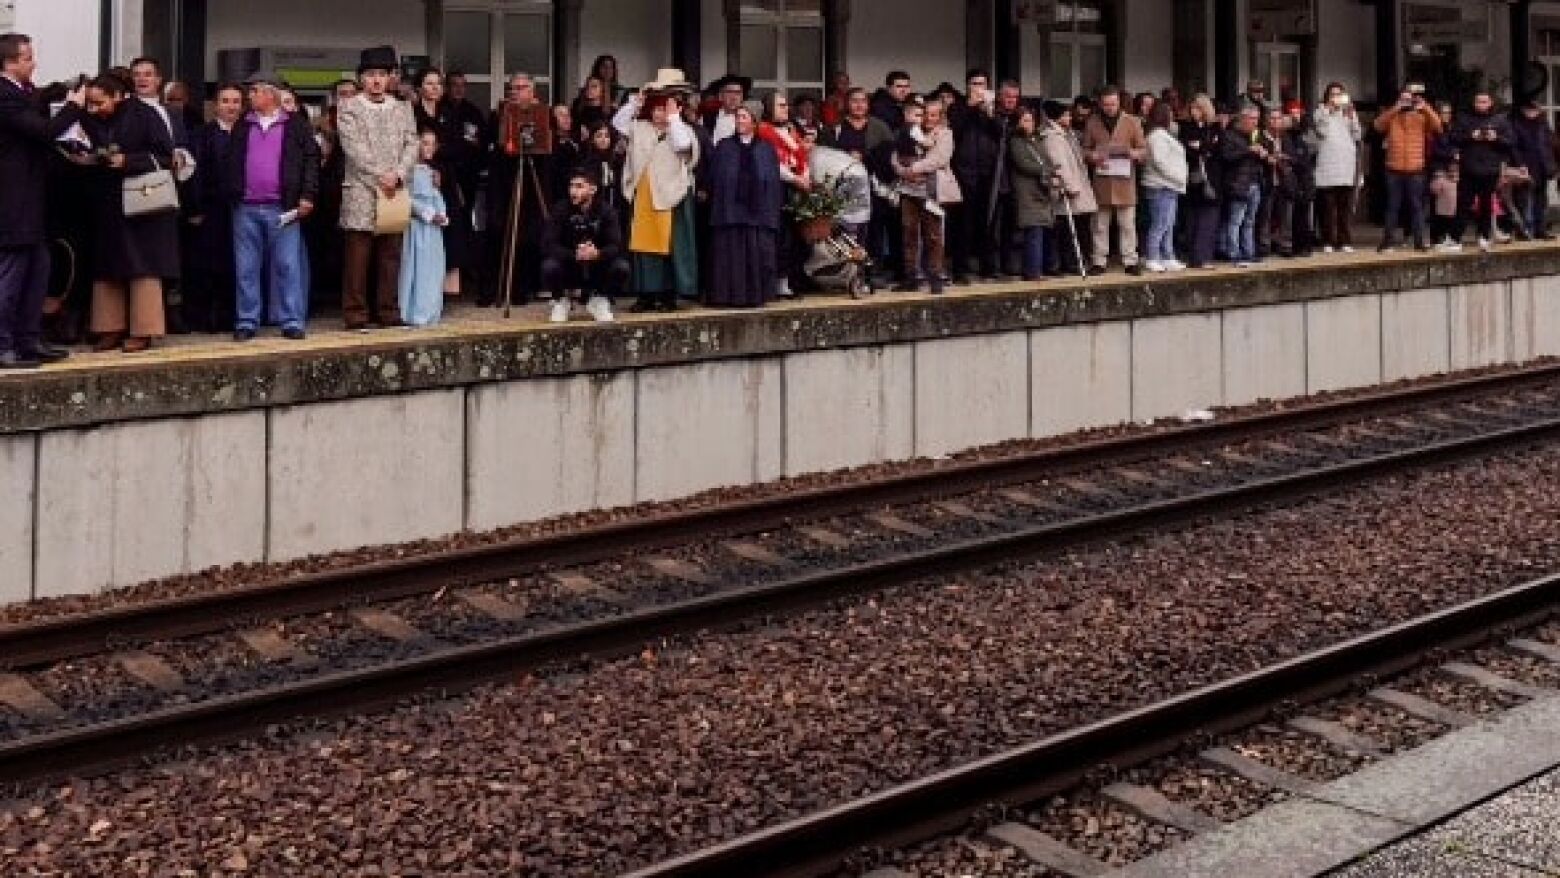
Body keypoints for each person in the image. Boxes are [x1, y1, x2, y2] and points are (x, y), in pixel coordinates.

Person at [0, 32, 86, 369]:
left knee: (38, 270)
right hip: (12, 201)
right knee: (11, 274)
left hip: (32, 200)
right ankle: (4, 344)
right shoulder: (4, 95)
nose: (33, 63)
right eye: (27, 57)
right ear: (11, 61)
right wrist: (74, 107)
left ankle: (28, 339)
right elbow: (44, 131)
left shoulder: (24, 93)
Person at [79, 73, 179, 353]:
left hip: (142, 200)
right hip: (107, 199)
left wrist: (128, 160)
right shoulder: (92, 119)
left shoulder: (146, 115)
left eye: (100, 102)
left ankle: (144, 329)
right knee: (107, 263)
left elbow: (165, 157)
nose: (95, 109)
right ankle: (109, 326)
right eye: (91, 103)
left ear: (118, 95)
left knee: (142, 264)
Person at [222, 72, 320, 341]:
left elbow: (311, 161)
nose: (249, 96)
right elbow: (231, 160)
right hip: (246, 207)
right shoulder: (243, 125)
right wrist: (233, 191)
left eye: (254, 91)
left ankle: (292, 320)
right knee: (246, 267)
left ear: (270, 94)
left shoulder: (296, 125)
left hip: (283, 207)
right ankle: (246, 320)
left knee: (288, 265)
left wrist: (307, 195)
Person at [337, 45, 420, 329]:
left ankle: (388, 311)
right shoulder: (349, 108)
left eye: (382, 75)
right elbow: (353, 148)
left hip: (394, 189)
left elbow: (412, 142)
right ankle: (356, 313)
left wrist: (398, 173)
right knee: (358, 257)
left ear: (390, 78)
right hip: (362, 190)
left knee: (390, 255)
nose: (376, 80)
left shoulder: (402, 108)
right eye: (371, 74)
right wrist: (380, 174)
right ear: (361, 78)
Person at [614, 70, 700, 312]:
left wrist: (674, 119)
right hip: (644, 192)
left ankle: (667, 295)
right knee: (643, 246)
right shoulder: (639, 127)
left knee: (670, 246)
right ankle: (646, 294)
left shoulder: (682, 130)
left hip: (671, 194)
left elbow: (684, 147)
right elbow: (618, 124)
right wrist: (635, 103)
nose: (661, 113)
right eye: (658, 108)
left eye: (667, 108)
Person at [706, 106, 784, 308]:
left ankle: (756, 296)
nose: (739, 121)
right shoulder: (724, 147)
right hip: (730, 212)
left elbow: (772, 181)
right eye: (737, 117)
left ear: (754, 121)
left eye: (744, 117)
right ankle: (726, 296)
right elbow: (715, 179)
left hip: (758, 213)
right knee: (729, 254)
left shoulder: (766, 149)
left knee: (756, 254)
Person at [487, 72, 553, 303]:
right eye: (513, 88)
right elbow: (495, 147)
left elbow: (546, 148)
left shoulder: (544, 114)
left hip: (533, 178)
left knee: (530, 235)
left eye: (522, 87)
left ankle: (527, 288)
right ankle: (499, 289)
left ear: (532, 91)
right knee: (500, 232)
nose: (516, 92)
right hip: (505, 178)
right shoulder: (499, 114)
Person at [541, 167, 625, 322]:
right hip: (570, 266)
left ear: (592, 189)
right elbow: (548, 244)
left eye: (579, 186)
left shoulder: (606, 211)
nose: (573, 191)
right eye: (571, 186)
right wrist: (574, 254)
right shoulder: (560, 209)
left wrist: (597, 253)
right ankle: (560, 301)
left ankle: (599, 300)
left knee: (621, 267)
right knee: (549, 267)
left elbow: (616, 245)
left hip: (597, 267)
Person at [1081, 86, 1147, 275]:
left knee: (1127, 224)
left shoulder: (1132, 121)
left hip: (1125, 179)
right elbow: (1084, 150)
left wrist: (1131, 153)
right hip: (1102, 179)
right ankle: (1099, 261)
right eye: (1106, 104)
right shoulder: (1092, 122)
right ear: (1100, 104)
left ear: (1119, 102)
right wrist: (1093, 156)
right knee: (1100, 224)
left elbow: (1143, 150)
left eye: (1113, 104)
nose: (1110, 107)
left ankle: (1130, 260)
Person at [892, 98, 956, 294]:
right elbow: (895, 154)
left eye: (934, 115)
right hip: (908, 189)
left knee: (934, 235)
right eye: (925, 114)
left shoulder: (944, 133)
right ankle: (911, 276)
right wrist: (902, 170)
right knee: (909, 234)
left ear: (940, 116)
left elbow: (940, 158)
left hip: (931, 190)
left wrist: (914, 168)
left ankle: (935, 276)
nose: (928, 118)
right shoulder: (909, 130)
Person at [948, 69, 1005, 283]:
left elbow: (1000, 133)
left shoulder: (991, 108)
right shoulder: (957, 107)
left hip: (987, 172)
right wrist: (971, 107)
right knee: (962, 223)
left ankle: (988, 266)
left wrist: (989, 112)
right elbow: (956, 130)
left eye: (983, 83)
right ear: (967, 86)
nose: (979, 88)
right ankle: (960, 269)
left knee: (987, 221)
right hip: (964, 172)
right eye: (975, 83)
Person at [1373, 82, 1442, 251]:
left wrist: (1424, 107)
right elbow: (1377, 126)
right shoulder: (1392, 114)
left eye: (1410, 97)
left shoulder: (1421, 115)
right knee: (1392, 206)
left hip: (1416, 168)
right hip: (1393, 167)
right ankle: (1387, 240)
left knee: (1417, 207)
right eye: (1404, 96)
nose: (1407, 100)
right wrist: (1396, 107)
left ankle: (1419, 241)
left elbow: (1438, 127)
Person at [758, 92, 811, 298]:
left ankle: (789, 280)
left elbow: (801, 156)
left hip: (795, 188)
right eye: (780, 105)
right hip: (777, 189)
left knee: (794, 238)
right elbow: (774, 163)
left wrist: (805, 176)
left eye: (786, 105)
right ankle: (775, 283)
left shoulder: (791, 131)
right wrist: (796, 179)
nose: (785, 108)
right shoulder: (763, 131)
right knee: (780, 238)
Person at [1447, 91, 1513, 253]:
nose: (1481, 104)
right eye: (1478, 101)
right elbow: (1453, 138)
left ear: (1490, 103)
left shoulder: (1500, 120)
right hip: (1469, 167)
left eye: (1484, 102)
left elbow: (1510, 142)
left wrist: (1495, 138)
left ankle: (1484, 237)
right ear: (1474, 103)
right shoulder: (1464, 118)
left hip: (1490, 169)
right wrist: (1471, 136)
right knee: (1463, 204)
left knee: (1486, 205)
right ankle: (1455, 238)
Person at [1041, 99, 1096, 276]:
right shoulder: (1053, 138)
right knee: (1065, 230)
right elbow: (1060, 164)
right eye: (1066, 115)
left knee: (1075, 228)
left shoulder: (1068, 135)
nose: (1069, 117)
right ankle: (1064, 263)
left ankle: (1071, 262)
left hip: (1077, 184)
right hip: (1068, 190)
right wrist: (1070, 186)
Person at [399, 130, 449, 327]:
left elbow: (436, 197)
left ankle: (429, 311)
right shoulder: (409, 171)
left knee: (433, 270)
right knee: (416, 268)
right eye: (424, 143)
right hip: (417, 227)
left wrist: (442, 214)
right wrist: (428, 214)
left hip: (433, 230)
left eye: (432, 143)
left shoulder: (431, 171)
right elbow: (407, 199)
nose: (428, 147)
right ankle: (413, 312)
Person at [1007, 105, 1055, 281]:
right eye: (1025, 120)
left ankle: (1040, 268)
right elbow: (1024, 164)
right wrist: (1045, 169)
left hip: (1041, 189)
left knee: (1042, 230)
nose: (1029, 124)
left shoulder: (1037, 140)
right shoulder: (1016, 141)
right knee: (1033, 230)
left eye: (1031, 120)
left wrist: (1049, 169)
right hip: (1025, 191)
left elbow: (1048, 160)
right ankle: (1032, 271)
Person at [1312, 82, 1361, 253]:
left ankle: (1345, 240)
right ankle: (1328, 241)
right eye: (1332, 94)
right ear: (1327, 96)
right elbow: (1321, 131)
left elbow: (1357, 134)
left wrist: (1352, 116)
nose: (1336, 97)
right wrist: (1329, 111)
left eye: (1339, 94)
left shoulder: (1347, 112)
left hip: (1345, 163)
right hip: (1327, 164)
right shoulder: (1320, 111)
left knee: (1345, 207)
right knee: (1327, 208)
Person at [1141, 103, 1187, 272]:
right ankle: (1153, 256)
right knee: (1160, 223)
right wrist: (1177, 176)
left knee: (1168, 223)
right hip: (1161, 184)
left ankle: (1167, 255)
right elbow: (1159, 161)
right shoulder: (1157, 136)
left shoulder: (1161, 134)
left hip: (1168, 185)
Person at [1220, 106, 1267, 268]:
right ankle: (1234, 253)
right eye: (1252, 118)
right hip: (1238, 184)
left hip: (1254, 182)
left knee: (1250, 221)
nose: (1255, 122)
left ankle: (1249, 252)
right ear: (1243, 119)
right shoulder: (1230, 135)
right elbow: (1227, 157)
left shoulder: (1255, 135)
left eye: (1257, 119)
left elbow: (1259, 157)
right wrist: (1248, 150)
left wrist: (1263, 153)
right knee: (1235, 221)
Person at [1179, 94, 1222, 269]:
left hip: (1211, 179)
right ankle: (1193, 257)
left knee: (1208, 221)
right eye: (1192, 108)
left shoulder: (1215, 127)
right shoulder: (1187, 127)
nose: (1194, 112)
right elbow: (1187, 149)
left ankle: (1204, 256)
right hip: (1193, 179)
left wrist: (1202, 147)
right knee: (1192, 220)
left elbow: (1217, 148)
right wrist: (1204, 147)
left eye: (1197, 108)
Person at [1511, 100, 1556, 239]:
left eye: (1534, 110)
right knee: (1524, 200)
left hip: (1543, 167)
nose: (1532, 113)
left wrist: (1552, 166)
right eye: (1529, 110)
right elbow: (1514, 148)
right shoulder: (1517, 126)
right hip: (1526, 167)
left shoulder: (1543, 125)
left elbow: (1550, 146)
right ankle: (1525, 230)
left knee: (1541, 200)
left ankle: (1540, 229)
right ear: (1524, 111)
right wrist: (1520, 165)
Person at [703, 74, 749, 144]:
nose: (734, 98)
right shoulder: (707, 119)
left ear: (742, 97)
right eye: (729, 92)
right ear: (720, 96)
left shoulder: (749, 120)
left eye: (738, 93)